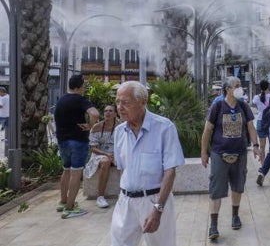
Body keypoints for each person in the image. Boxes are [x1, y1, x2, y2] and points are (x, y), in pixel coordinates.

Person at [110, 81, 185, 246]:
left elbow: (170, 171)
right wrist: (122, 199)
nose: (120, 107)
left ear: (143, 102)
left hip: (154, 200)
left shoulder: (164, 128)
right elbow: (123, 169)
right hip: (125, 202)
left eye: (125, 102)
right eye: (117, 102)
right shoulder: (119, 132)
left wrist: (158, 208)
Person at [201, 76, 260, 241]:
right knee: (216, 190)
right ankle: (213, 225)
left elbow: (250, 127)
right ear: (227, 89)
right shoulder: (217, 106)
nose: (240, 88)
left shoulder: (243, 106)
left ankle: (235, 215)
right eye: (236, 86)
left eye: (240, 85)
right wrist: (204, 153)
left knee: (237, 186)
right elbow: (207, 131)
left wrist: (255, 145)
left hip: (240, 153)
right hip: (219, 154)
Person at [54, 74, 100, 219]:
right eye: (83, 86)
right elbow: (95, 113)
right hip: (78, 141)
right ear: (79, 87)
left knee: (66, 170)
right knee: (76, 173)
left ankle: (63, 202)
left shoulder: (61, 100)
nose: (84, 88)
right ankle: (70, 207)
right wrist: (90, 125)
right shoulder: (80, 100)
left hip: (63, 141)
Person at [84, 104, 118, 209]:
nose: (107, 113)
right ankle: (100, 197)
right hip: (100, 153)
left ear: (116, 114)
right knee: (105, 162)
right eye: (106, 111)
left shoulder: (120, 127)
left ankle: (125, 192)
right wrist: (106, 154)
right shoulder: (97, 127)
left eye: (110, 111)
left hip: (116, 153)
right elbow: (93, 148)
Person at [252, 80, 270, 165]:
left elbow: (254, 104)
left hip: (260, 121)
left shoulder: (256, 97)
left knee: (262, 147)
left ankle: (263, 166)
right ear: (268, 87)